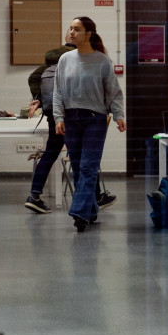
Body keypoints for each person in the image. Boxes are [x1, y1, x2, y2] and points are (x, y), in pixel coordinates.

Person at [24, 41, 116, 214]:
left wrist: (40, 98)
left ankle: (34, 196)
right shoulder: (75, 62)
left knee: (51, 153)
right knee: (86, 157)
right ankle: (95, 197)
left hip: (54, 115)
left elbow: (33, 78)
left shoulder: (50, 63)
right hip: (74, 116)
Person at [53, 16, 126, 231]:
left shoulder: (102, 61)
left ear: (88, 34)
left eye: (77, 29)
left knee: (88, 166)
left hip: (95, 119)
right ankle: (91, 209)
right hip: (71, 119)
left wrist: (119, 115)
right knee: (78, 167)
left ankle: (79, 213)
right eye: (71, 28)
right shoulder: (65, 59)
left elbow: (113, 92)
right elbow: (58, 92)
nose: (71, 32)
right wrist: (58, 117)